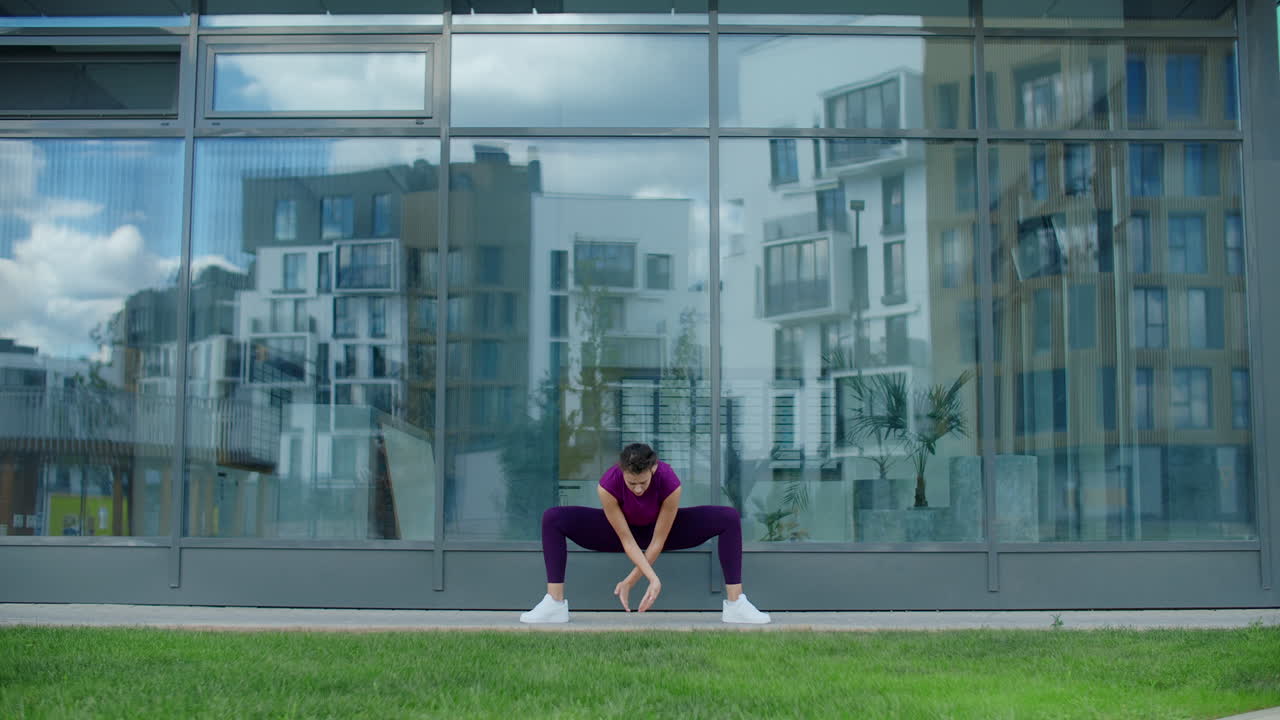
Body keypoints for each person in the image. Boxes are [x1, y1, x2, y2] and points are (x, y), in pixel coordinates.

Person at [520, 442, 771, 624]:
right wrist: (652, 578)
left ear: (653, 469)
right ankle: (554, 604)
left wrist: (631, 580)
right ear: (622, 473)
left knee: (727, 517)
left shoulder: (670, 482)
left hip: (660, 532)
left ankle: (736, 605)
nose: (638, 489)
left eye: (643, 483)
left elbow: (658, 540)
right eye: (632, 484)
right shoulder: (608, 485)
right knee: (553, 517)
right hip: (620, 532)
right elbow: (627, 540)